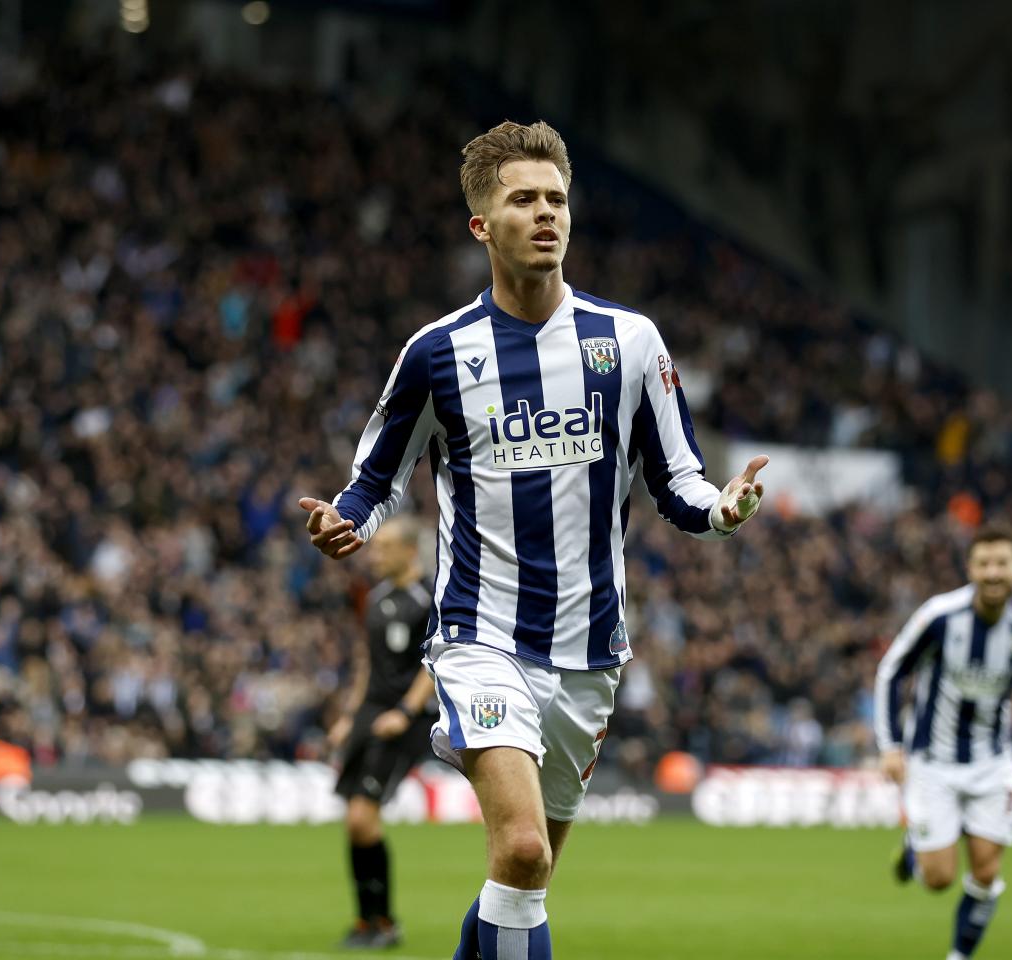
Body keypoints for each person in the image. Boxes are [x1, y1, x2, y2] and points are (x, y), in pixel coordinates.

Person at [299, 119, 768, 960]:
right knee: (518, 849)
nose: (547, 214)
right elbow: (375, 481)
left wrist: (721, 511)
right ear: (483, 226)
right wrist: (348, 523)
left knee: (528, 878)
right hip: (481, 637)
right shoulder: (438, 352)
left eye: (557, 199)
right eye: (524, 200)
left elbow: (679, 481)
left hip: (590, 653)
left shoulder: (628, 343)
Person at [874, 526, 1012, 960]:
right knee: (938, 879)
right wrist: (890, 745)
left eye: (1002, 563)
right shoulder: (940, 615)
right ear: (970, 568)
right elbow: (891, 670)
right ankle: (916, 850)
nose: (993, 573)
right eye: (984, 563)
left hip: (993, 762)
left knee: (987, 871)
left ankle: (959, 955)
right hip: (932, 761)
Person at [327, 515, 438, 949]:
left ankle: (384, 923)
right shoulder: (374, 599)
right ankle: (366, 922)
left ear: (410, 551)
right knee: (354, 823)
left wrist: (405, 713)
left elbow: (435, 662)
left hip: (401, 719)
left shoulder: (430, 598)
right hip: (369, 714)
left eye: (386, 547)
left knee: (362, 817)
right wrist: (347, 715)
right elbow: (366, 661)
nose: (376, 554)